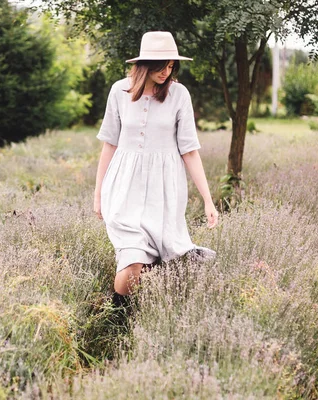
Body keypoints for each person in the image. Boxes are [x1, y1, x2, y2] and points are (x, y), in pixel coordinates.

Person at [93, 31, 219, 304]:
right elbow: (109, 145)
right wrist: (98, 194)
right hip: (123, 187)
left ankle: (135, 318)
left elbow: (190, 151)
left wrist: (208, 200)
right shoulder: (119, 91)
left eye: (172, 65)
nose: (167, 71)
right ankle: (118, 319)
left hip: (164, 191)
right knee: (132, 260)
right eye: (162, 65)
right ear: (145, 64)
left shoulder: (179, 95)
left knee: (151, 261)